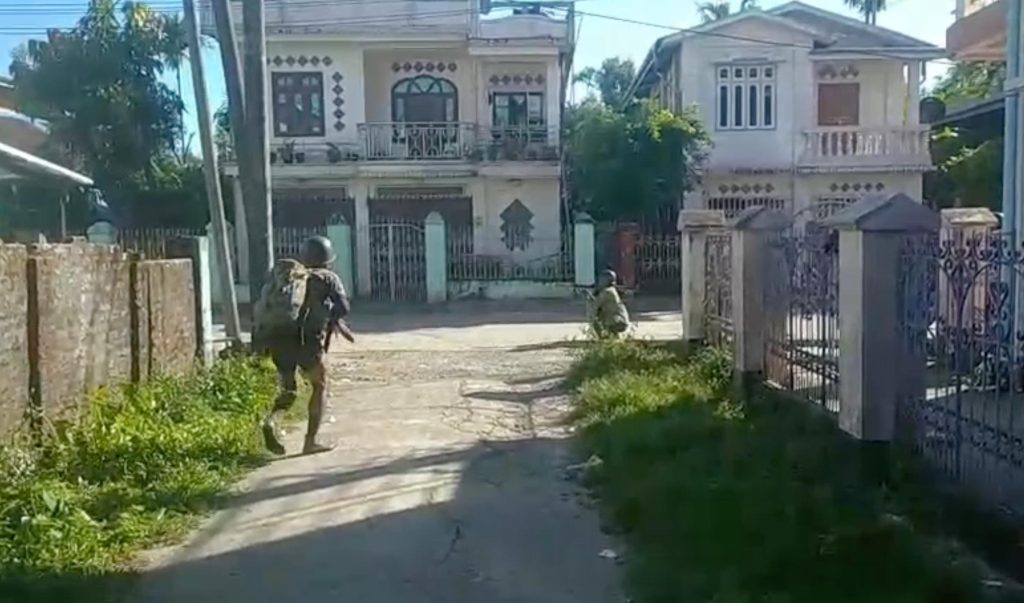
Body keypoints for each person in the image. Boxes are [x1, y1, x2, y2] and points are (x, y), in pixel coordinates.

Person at [255, 235, 352, 456]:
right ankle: (311, 441)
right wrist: (331, 318)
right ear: (328, 259)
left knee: (289, 389)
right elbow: (343, 307)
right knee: (320, 385)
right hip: (307, 340)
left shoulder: (290, 277)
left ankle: (271, 421)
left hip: (279, 338)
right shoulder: (327, 277)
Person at [591, 269, 631, 339]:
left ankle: (602, 339)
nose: (600, 282)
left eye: (602, 280)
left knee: (596, 321)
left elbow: (595, 305)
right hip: (620, 320)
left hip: (617, 321)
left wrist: (590, 296)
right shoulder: (612, 290)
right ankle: (614, 339)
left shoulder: (608, 292)